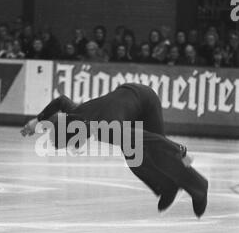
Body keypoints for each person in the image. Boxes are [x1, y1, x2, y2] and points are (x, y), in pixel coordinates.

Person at [21, 83, 208, 217]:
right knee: (135, 160)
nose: (76, 147)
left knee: (156, 155)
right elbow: (61, 101)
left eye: (72, 144)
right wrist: (37, 120)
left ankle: (199, 187)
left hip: (145, 100)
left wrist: (179, 149)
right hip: (127, 103)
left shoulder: (107, 129)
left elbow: (154, 141)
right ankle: (168, 187)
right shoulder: (75, 114)